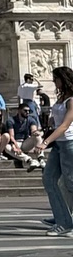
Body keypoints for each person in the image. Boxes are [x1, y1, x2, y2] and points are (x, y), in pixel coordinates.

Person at [42, 68, 73, 236]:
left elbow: (65, 125)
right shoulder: (61, 97)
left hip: (69, 143)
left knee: (70, 183)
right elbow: (57, 122)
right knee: (49, 179)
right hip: (58, 144)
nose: (54, 82)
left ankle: (66, 221)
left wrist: (46, 141)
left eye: (56, 79)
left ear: (64, 79)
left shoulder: (71, 100)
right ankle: (63, 220)